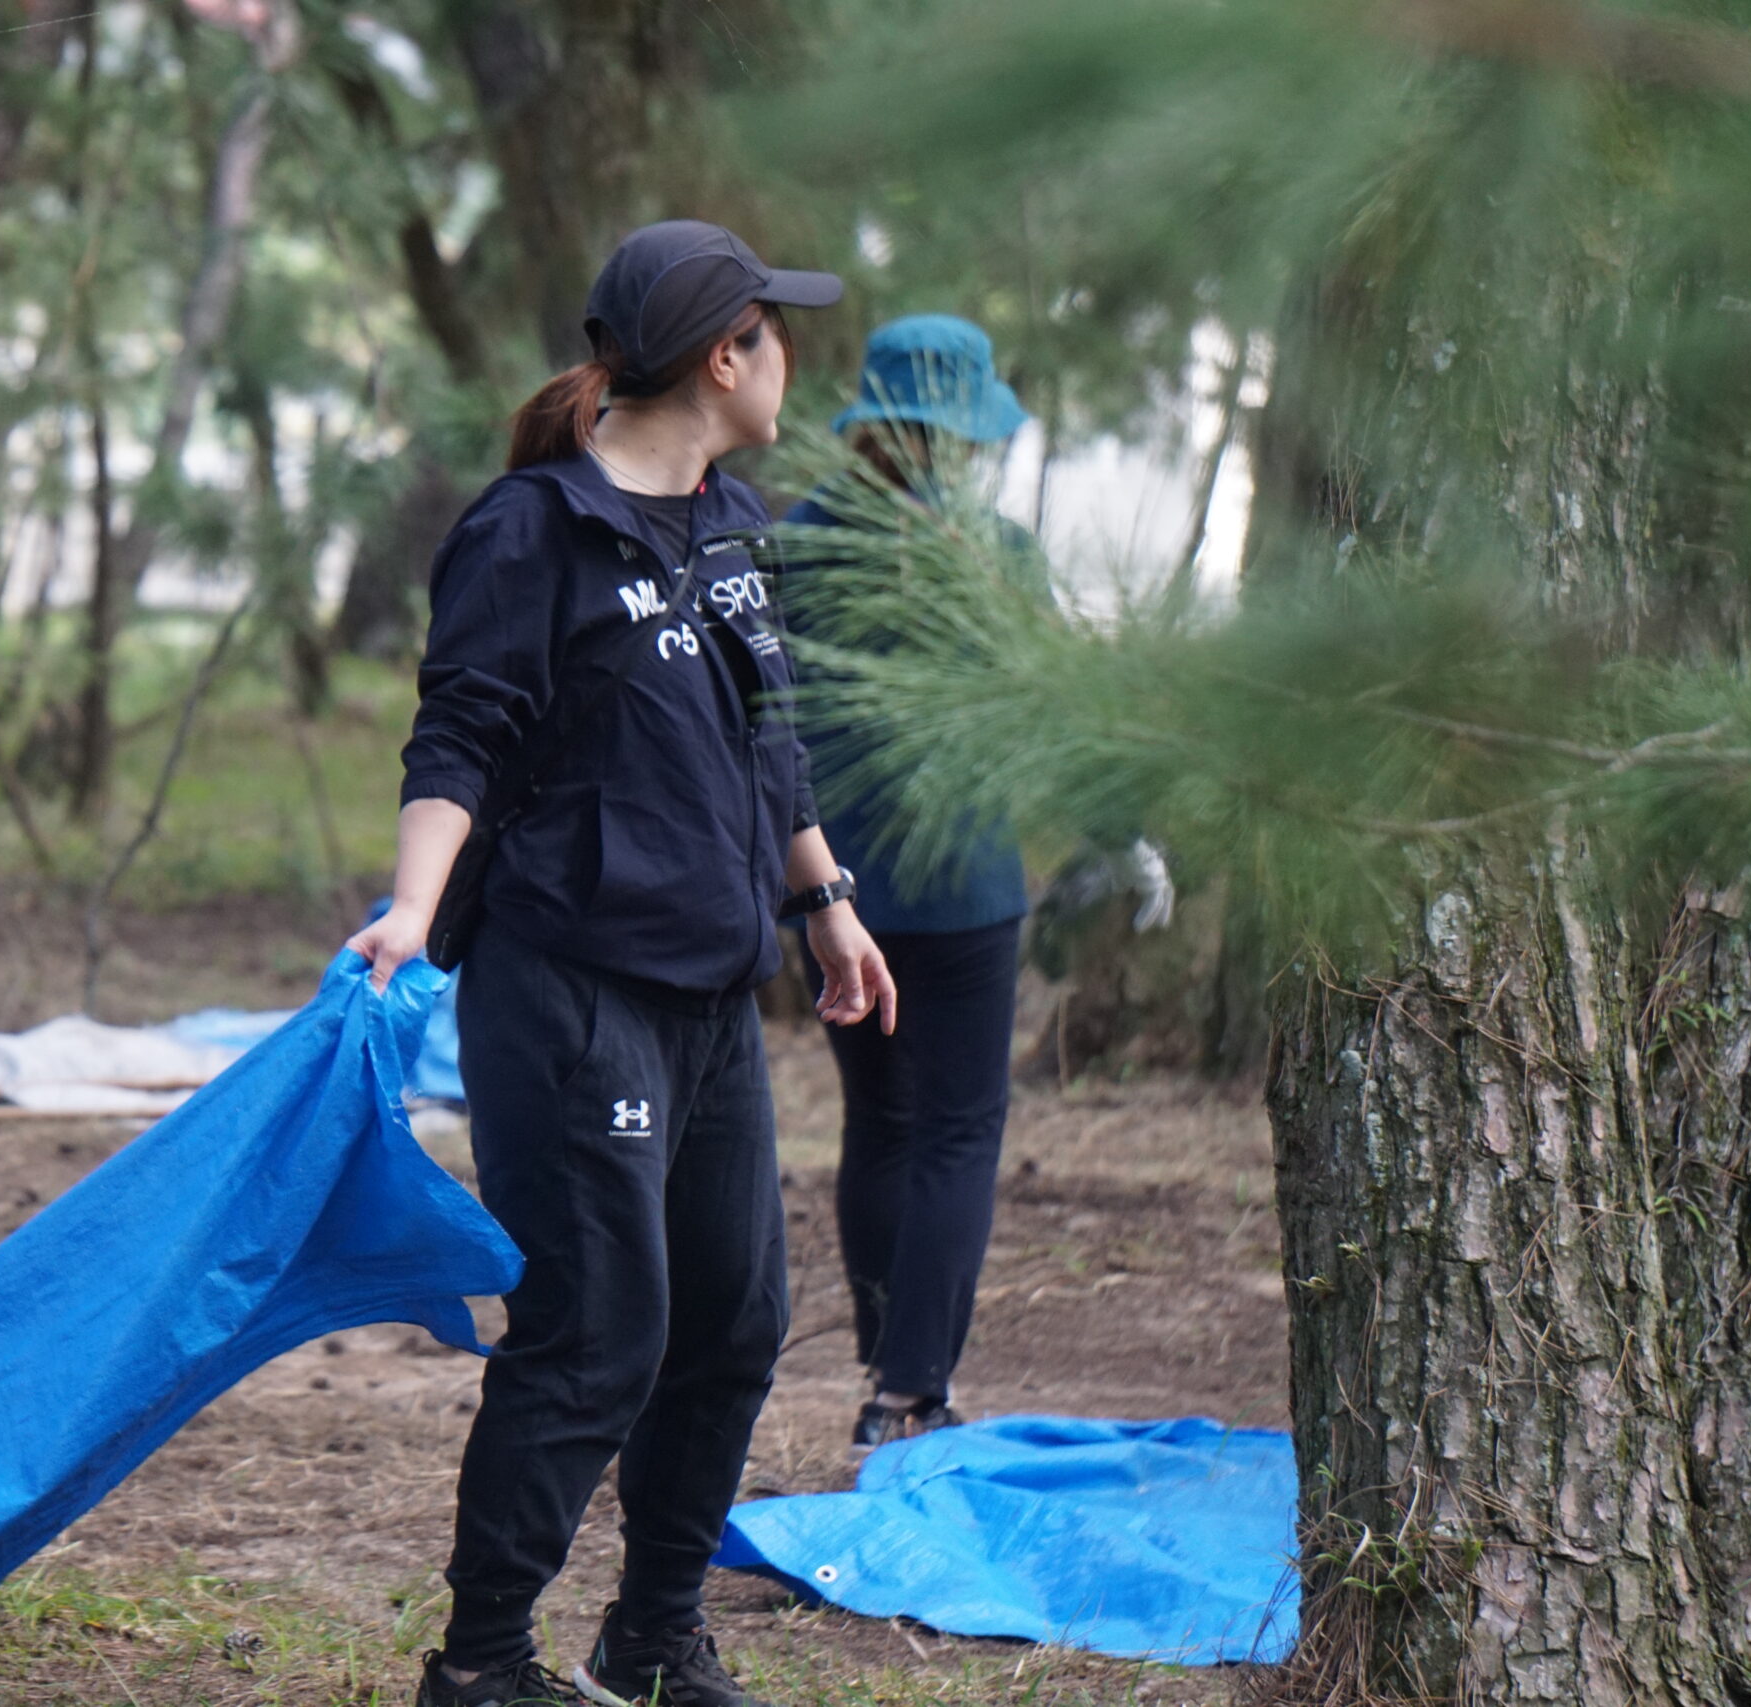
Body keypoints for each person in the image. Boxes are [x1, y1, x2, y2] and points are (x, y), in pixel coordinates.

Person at [348, 221, 897, 1707]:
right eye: (775, 332)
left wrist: (825, 895)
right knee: (601, 1326)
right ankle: (479, 1663)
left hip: (714, 993)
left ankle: (651, 1637)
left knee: (735, 1321)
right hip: (569, 990)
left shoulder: (734, 520)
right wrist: (411, 906)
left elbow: (763, 739)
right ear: (726, 356)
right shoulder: (527, 531)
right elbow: (455, 732)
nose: (790, 354)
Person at [778, 315, 1168, 1450]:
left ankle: (882, 1363)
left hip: (833, 893)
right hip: (964, 897)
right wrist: (1118, 834)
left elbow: (766, 725)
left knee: (880, 1126)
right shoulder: (994, 552)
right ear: (960, 431)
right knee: (956, 1132)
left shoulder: (796, 543)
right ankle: (912, 1391)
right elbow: (1052, 716)